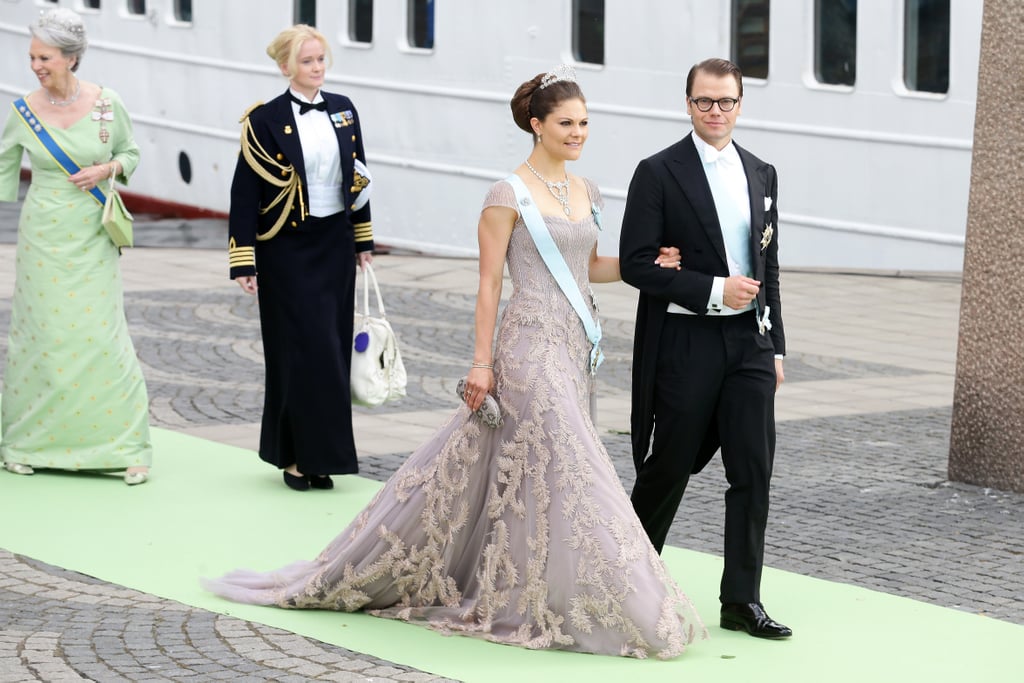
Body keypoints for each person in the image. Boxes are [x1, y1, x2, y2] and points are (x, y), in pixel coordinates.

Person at [203, 66, 706, 659]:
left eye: (585, 123)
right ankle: (626, 601)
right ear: (536, 125)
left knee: (525, 478)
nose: (579, 133)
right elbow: (490, 284)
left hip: (574, 346)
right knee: (578, 469)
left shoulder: (588, 191)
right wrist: (481, 364)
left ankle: (533, 588)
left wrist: (647, 264)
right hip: (525, 349)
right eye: (567, 123)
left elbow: (587, 267)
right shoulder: (505, 195)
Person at [619, 58, 792, 639]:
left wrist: (776, 346)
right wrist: (713, 290)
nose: (715, 113)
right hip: (687, 340)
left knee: (753, 471)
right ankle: (627, 587)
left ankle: (740, 601)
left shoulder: (762, 171)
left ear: (741, 105)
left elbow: (768, 264)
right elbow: (637, 265)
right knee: (668, 465)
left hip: (750, 344)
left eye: (726, 102)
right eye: (704, 102)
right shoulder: (658, 172)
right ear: (687, 104)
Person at [0, 8, 152, 485]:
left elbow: (130, 153)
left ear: (70, 58)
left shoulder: (108, 104)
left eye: (44, 57)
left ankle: (125, 446)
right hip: (43, 232)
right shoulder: (22, 110)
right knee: (42, 335)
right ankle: (26, 442)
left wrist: (106, 170)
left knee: (99, 334)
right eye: (32, 57)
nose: (36, 65)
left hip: (92, 231)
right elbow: (4, 163)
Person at [227, 25, 374, 492]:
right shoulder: (264, 119)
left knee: (330, 351)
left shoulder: (344, 110)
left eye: (321, 60)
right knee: (299, 353)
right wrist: (244, 260)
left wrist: (363, 240)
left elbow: (358, 174)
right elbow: (244, 192)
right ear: (286, 67)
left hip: (333, 245)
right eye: (308, 61)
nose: (317, 68)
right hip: (285, 249)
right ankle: (294, 458)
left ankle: (322, 459)